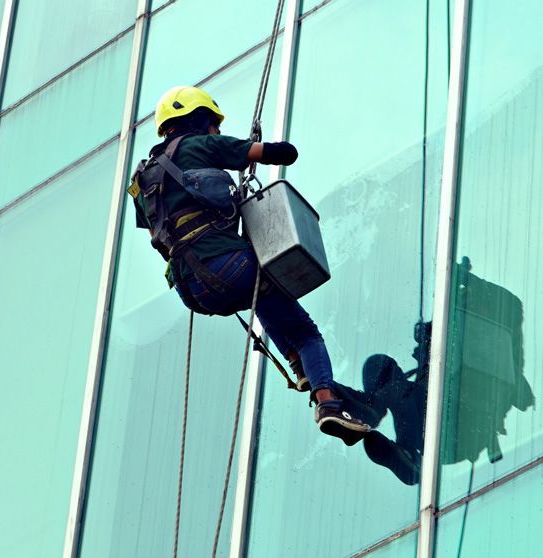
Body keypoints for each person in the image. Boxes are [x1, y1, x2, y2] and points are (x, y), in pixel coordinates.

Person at [129, 85, 371, 444]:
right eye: (212, 124)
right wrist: (270, 148)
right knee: (305, 330)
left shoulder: (142, 180)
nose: (214, 131)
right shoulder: (199, 145)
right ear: (200, 119)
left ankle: (296, 363)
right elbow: (279, 154)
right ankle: (328, 403)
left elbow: (156, 228)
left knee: (262, 300)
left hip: (192, 289)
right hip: (228, 264)